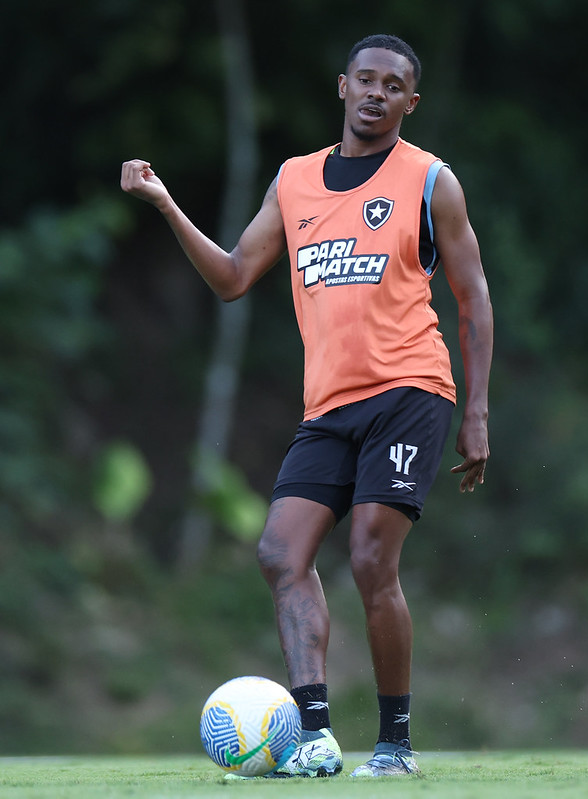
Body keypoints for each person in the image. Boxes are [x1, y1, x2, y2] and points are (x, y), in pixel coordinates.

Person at [121, 33, 493, 778]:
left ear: (409, 102)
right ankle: (316, 734)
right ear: (342, 86)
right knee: (279, 554)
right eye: (366, 79)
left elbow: (472, 298)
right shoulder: (294, 182)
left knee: (367, 558)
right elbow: (231, 277)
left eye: (394, 85)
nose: (377, 92)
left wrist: (477, 409)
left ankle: (394, 746)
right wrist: (165, 203)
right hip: (329, 406)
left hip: (411, 390)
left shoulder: (429, 181)